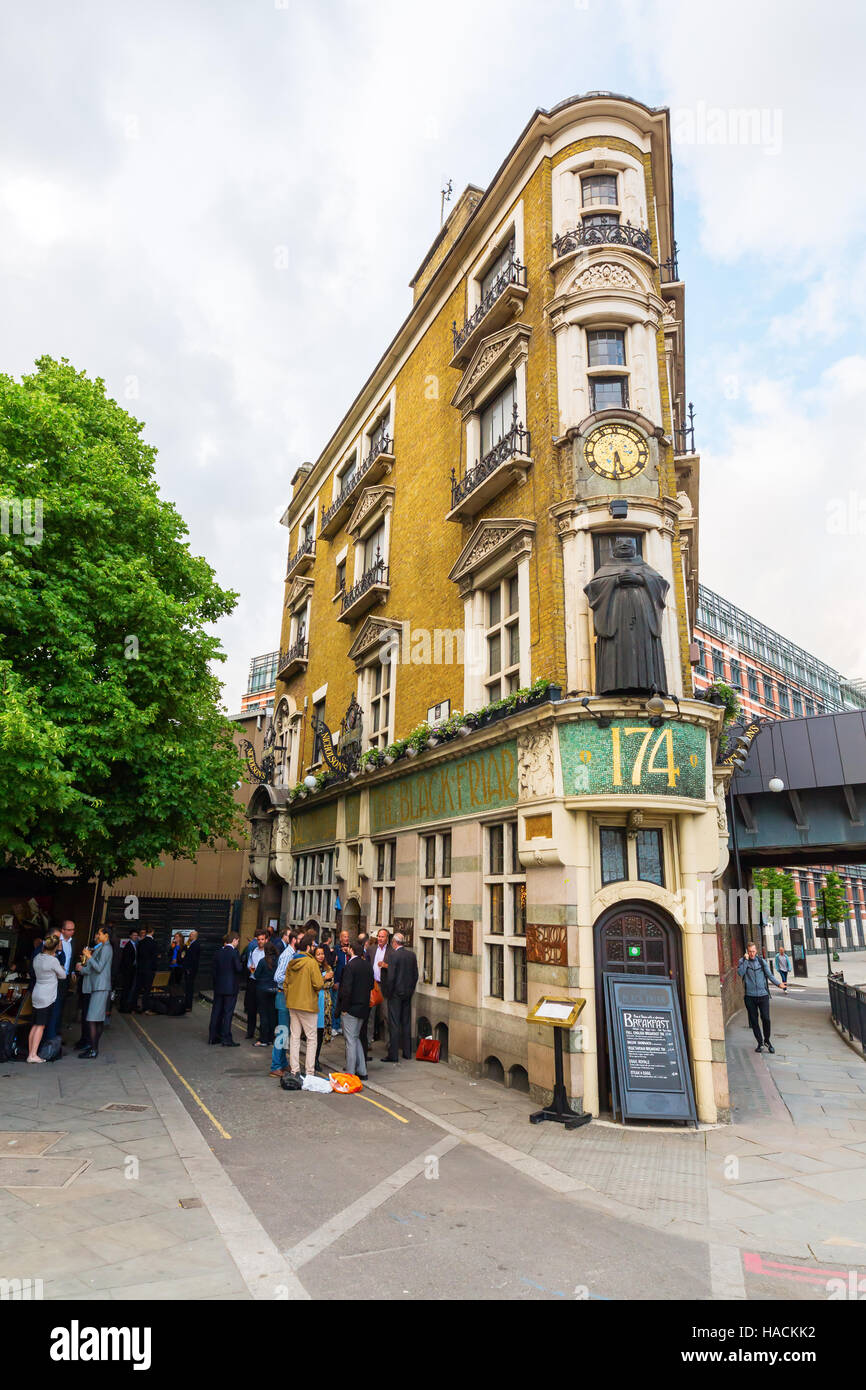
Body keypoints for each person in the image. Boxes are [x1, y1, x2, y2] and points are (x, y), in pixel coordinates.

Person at [282, 932, 324, 1078]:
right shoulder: (311, 963)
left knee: (294, 1037)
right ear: (308, 947)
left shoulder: (292, 961)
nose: (314, 948)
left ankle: (295, 1070)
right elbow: (318, 984)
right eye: (313, 946)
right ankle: (310, 1072)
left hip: (293, 1004)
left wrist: (290, 998)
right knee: (312, 1039)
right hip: (308, 1005)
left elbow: (285, 984)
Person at [738, 941, 787, 1053]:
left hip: (763, 995)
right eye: (749, 951)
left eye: (753, 951)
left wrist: (779, 984)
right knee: (754, 1021)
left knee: (766, 1019)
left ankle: (767, 1040)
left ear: (756, 951)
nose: (751, 953)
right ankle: (760, 1043)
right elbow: (740, 973)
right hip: (750, 996)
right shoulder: (742, 961)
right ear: (747, 951)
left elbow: (769, 975)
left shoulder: (761, 961)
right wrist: (745, 960)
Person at [76, 927, 114, 1058]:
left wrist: (89, 956)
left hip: (101, 987)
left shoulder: (107, 948)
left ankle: (93, 1049)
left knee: (93, 1019)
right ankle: (93, 1047)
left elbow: (98, 968)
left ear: (106, 935)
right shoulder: (102, 947)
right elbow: (92, 967)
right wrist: (83, 967)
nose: (97, 935)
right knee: (96, 1019)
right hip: (96, 986)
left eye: (99, 933)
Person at [28, 933, 66, 1062]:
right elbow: (63, 975)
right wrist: (60, 966)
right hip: (47, 995)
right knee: (41, 1026)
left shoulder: (38, 957)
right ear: (55, 948)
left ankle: (31, 1053)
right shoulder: (53, 961)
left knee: (35, 1025)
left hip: (37, 992)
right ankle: (33, 1055)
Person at [338, 938, 373, 1080]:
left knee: (350, 1041)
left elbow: (346, 990)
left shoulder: (350, 967)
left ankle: (350, 1073)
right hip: (364, 1008)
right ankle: (362, 1070)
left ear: (351, 950)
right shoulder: (367, 966)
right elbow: (371, 986)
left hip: (351, 1009)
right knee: (356, 1038)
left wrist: (344, 1008)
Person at [383, 932, 419, 1064]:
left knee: (394, 1023)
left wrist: (389, 992)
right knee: (406, 1022)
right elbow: (415, 975)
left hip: (396, 994)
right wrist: (410, 989)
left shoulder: (393, 956)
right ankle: (407, 1052)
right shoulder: (412, 955)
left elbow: (391, 977)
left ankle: (393, 1054)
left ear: (394, 943)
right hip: (407, 993)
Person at [270, 930, 299, 1076]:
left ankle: (282, 1062)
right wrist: (292, 980)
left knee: (286, 1031)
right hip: (283, 996)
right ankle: (275, 1066)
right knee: (282, 1031)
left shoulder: (293, 954)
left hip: (288, 996)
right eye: (299, 938)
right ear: (293, 940)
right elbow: (278, 976)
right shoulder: (287, 955)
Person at [209, 932, 243, 1046]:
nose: (238, 943)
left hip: (219, 987)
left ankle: (213, 1037)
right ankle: (226, 1038)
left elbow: (214, 971)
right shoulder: (234, 953)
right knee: (228, 1013)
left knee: (216, 1012)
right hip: (230, 988)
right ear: (234, 940)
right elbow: (238, 969)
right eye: (238, 941)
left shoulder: (218, 952)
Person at [242, 929, 268, 1042]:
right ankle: (250, 1031)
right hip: (253, 982)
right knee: (251, 1008)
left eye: (262, 939)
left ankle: (262, 1034)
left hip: (263, 982)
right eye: (258, 939)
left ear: (266, 940)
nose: (260, 941)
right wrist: (253, 970)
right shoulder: (254, 951)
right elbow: (249, 964)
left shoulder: (268, 953)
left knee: (262, 1010)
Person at [370, 927, 393, 1047]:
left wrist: (386, 965)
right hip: (372, 985)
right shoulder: (371, 949)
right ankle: (368, 1042)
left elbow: (396, 968)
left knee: (386, 1015)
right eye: (379, 936)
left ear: (387, 938)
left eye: (382, 936)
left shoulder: (391, 951)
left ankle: (389, 1043)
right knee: (370, 1014)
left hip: (384, 986)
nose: (380, 938)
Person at [254, 941, 280, 1048]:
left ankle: (263, 1039)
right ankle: (270, 1038)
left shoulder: (262, 962)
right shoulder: (277, 961)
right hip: (274, 990)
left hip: (262, 991)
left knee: (263, 1015)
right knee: (272, 1014)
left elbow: (256, 975)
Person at [313, 945, 334, 1071]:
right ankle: (312, 1059)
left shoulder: (328, 967)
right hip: (314, 1001)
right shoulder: (312, 967)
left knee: (320, 1033)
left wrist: (322, 981)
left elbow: (330, 982)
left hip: (325, 1003)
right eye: (318, 954)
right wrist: (324, 978)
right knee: (313, 1034)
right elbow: (313, 984)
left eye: (322, 954)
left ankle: (316, 1058)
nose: (321, 956)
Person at [134, 926, 158, 1013]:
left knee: (138, 988)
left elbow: (138, 955)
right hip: (149, 969)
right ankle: (145, 1007)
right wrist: (154, 968)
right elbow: (154, 958)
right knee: (147, 989)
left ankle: (134, 1006)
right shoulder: (154, 943)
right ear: (152, 932)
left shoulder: (141, 942)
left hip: (141, 968)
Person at [331, 929, 350, 1037]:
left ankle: (340, 1026)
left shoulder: (350, 949)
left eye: (347, 936)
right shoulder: (336, 949)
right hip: (338, 980)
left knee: (344, 1005)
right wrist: (336, 981)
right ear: (340, 938)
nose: (346, 938)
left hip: (347, 982)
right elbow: (333, 966)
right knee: (335, 1004)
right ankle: (334, 1026)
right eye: (344, 936)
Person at [117, 929, 139, 1013]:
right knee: (126, 988)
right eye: (134, 935)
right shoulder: (128, 945)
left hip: (132, 970)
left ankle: (126, 1006)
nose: (135, 937)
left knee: (129, 988)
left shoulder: (135, 945)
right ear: (130, 936)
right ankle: (123, 1007)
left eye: (136, 935)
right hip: (128, 971)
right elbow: (126, 960)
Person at [183, 930, 201, 1012]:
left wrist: (189, 969)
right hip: (188, 968)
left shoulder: (196, 945)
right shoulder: (190, 944)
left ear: (195, 936)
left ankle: (188, 1006)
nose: (189, 936)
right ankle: (186, 1004)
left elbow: (193, 959)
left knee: (189, 987)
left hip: (191, 969)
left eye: (191, 935)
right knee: (187, 987)